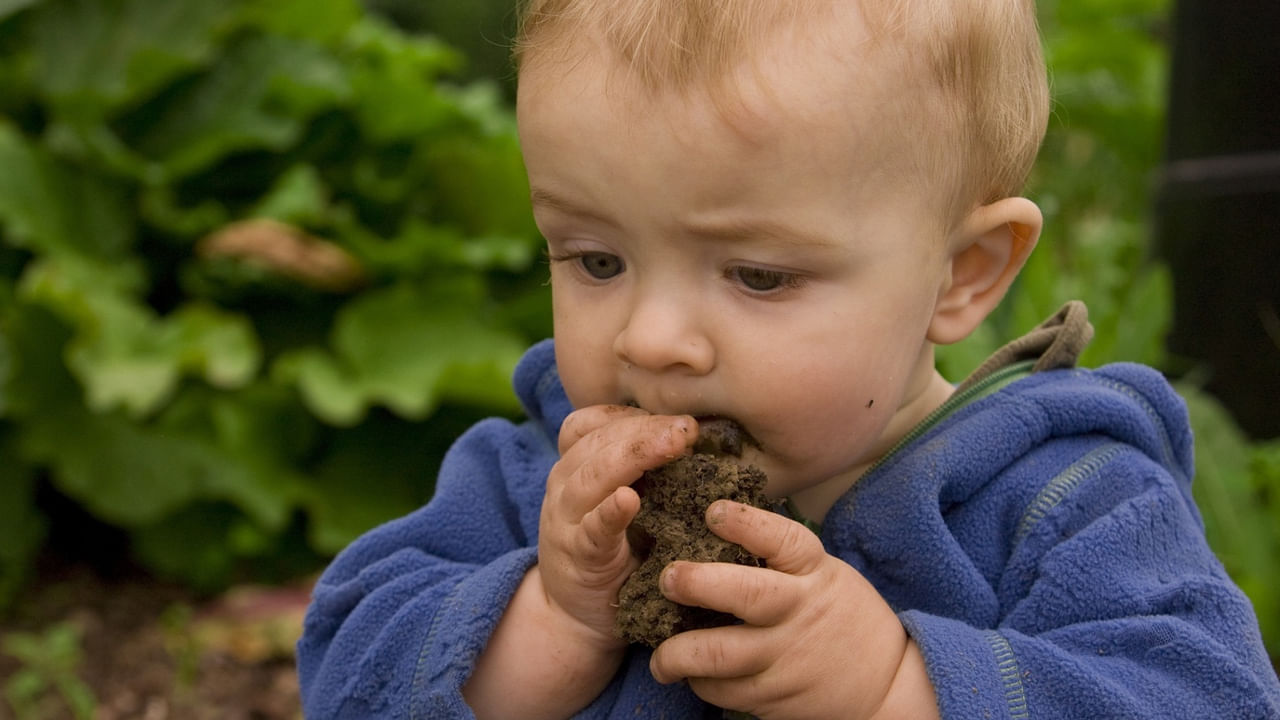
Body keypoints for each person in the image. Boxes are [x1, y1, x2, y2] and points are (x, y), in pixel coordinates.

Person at [296, 0, 1280, 717]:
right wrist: (550, 621)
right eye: (597, 259)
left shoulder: (1062, 501)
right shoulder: (541, 485)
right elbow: (345, 671)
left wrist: (897, 688)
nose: (649, 340)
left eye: (757, 276)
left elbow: (1205, 696)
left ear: (959, 277)